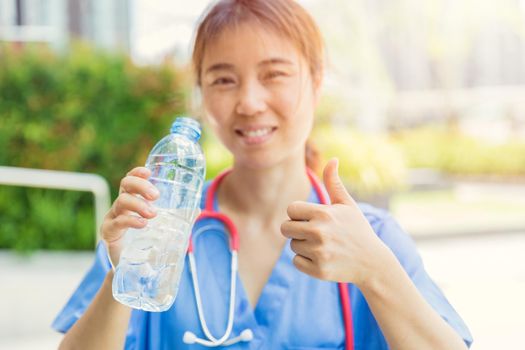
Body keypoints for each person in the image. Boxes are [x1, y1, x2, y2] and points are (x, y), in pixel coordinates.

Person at [53, 0, 473, 349]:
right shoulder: (155, 229)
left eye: (274, 74)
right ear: (201, 94)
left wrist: (377, 273)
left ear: (316, 81)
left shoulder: (374, 237)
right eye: (223, 79)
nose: (250, 102)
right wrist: (122, 275)